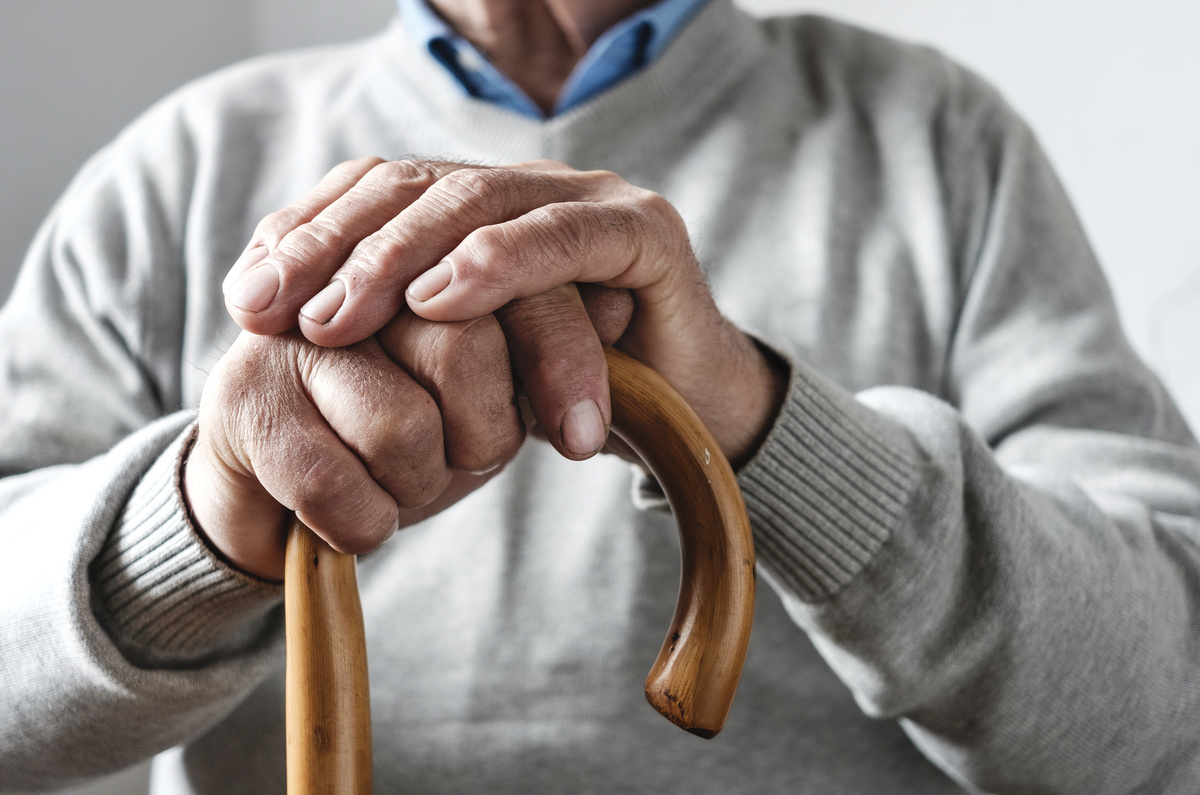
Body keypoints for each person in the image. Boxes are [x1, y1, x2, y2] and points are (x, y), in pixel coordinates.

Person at [2, 0, 1199, 791]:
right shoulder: (181, 167)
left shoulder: (942, 141)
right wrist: (202, 520)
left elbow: (1161, 708)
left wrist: (762, 427)